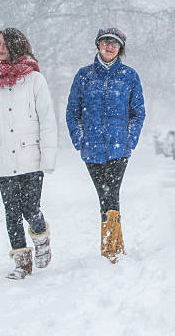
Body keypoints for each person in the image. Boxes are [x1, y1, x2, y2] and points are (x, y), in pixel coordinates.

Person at [0, 28, 57, 280]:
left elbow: (47, 121)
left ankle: (42, 238)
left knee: (30, 209)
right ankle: (22, 262)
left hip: (30, 157)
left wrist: (48, 157)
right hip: (3, 160)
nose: (0, 48)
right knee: (11, 214)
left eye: (5, 44)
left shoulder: (34, 79)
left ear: (16, 46)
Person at [66, 27, 145, 264]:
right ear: (98, 45)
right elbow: (72, 112)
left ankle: (110, 248)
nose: (109, 47)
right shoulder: (84, 76)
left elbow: (137, 113)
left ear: (120, 48)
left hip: (119, 147)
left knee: (110, 194)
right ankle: (116, 246)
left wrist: (130, 139)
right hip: (91, 148)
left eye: (114, 43)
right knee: (104, 195)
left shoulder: (129, 76)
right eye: (105, 42)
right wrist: (79, 140)